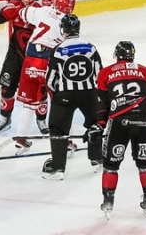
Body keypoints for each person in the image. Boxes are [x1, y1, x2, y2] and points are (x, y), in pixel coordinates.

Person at [96, 41, 146, 220]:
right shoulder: (145, 71)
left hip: (118, 123)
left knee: (111, 165)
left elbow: (101, 104)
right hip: (143, 123)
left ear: (116, 55)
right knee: (145, 165)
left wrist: (100, 124)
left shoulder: (105, 73)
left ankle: (108, 202)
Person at [10, 0, 78, 153]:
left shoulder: (44, 10)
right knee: (62, 104)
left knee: (29, 104)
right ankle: (66, 142)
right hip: (50, 63)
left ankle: (21, 139)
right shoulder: (68, 22)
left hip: (30, 60)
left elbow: (22, 13)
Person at [43, 13, 103, 180]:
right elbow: (100, 73)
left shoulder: (59, 50)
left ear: (63, 30)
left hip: (65, 95)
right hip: (89, 93)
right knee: (94, 124)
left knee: (58, 129)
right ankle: (97, 160)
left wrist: (58, 95)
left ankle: (58, 168)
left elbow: (50, 79)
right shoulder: (90, 48)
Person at [0, 0, 41, 134]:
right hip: (14, 56)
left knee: (39, 90)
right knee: (6, 88)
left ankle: (41, 121)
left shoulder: (41, 11)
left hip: (35, 58)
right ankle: (5, 118)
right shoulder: (13, 8)